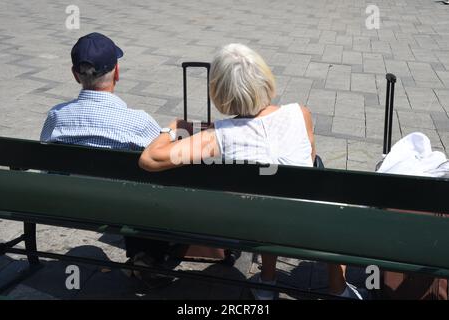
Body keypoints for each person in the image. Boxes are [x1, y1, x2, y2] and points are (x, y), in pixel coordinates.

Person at [138, 43, 364, 299]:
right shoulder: (301, 114)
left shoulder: (217, 136)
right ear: (264, 77)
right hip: (311, 221)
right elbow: (310, 161)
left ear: (220, 90)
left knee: (268, 200)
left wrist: (172, 127)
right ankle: (339, 288)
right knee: (310, 184)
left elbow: (150, 159)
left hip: (257, 224)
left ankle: (267, 283)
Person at [40, 32, 166, 286]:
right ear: (117, 72)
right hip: (123, 207)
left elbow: (44, 157)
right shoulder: (138, 121)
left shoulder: (57, 116)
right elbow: (163, 160)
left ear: (75, 74)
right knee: (151, 187)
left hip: (66, 203)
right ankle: (145, 256)